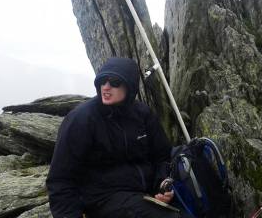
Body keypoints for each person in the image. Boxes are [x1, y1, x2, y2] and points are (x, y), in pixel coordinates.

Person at [46, 57, 179, 218]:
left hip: (145, 193)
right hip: (103, 199)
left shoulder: (142, 114)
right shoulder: (81, 119)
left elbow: (162, 155)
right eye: (102, 81)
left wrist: (162, 184)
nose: (106, 87)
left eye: (115, 82)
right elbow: (60, 179)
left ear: (129, 86)